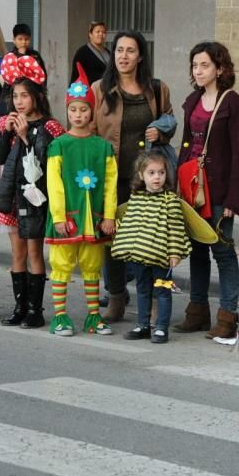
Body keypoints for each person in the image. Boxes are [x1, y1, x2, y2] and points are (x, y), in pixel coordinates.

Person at [90, 29, 175, 322]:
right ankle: (116, 296)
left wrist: (162, 132)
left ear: (140, 56)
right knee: (112, 240)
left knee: (149, 242)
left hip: (147, 181)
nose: (123, 56)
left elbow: (169, 119)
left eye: (130, 51)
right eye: (119, 50)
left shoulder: (157, 88)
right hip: (112, 178)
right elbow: (88, 131)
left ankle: (150, 299)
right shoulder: (100, 89)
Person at [173, 42, 239, 340]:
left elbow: (238, 152)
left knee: (223, 251)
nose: (199, 71)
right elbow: (185, 145)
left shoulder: (232, 102)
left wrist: (233, 198)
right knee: (196, 250)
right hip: (191, 186)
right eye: (195, 66)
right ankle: (197, 312)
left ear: (219, 68)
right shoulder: (192, 100)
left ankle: (228, 317)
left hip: (218, 189)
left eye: (204, 65)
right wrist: (177, 186)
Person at [43, 66, 118, 336]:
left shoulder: (103, 147)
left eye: (84, 110)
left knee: (92, 266)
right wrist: (60, 216)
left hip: (94, 218)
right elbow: (55, 184)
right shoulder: (59, 145)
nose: (78, 115)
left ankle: (93, 316)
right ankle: (60, 316)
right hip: (69, 218)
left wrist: (109, 215)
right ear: (67, 111)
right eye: (73, 110)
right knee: (62, 266)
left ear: (92, 111)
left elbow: (110, 185)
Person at [0, 56, 64, 328]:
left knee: (35, 252)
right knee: (17, 253)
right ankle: (19, 307)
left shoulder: (50, 126)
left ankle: (36, 309)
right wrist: (7, 134)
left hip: (35, 198)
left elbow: (45, 164)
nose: (19, 101)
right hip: (13, 198)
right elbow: (0, 158)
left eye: (24, 95)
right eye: (15, 96)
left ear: (36, 97)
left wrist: (25, 138)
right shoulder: (7, 124)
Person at [113, 152, 191, 343]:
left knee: (162, 291)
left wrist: (175, 252)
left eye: (161, 172)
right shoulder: (136, 198)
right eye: (151, 173)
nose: (157, 177)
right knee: (142, 290)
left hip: (161, 257)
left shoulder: (170, 200)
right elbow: (131, 224)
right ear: (141, 175)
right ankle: (143, 325)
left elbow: (175, 228)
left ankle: (161, 328)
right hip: (139, 255)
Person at [0, 24, 46, 116]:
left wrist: (41, 93)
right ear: (14, 40)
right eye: (20, 39)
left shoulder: (35, 56)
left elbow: (42, 76)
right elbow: (8, 80)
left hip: (32, 95)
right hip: (11, 95)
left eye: (26, 39)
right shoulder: (9, 57)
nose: (23, 42)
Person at [70, 21, 111, 86]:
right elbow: (76, 76)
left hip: (107, 91)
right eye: (98, 32)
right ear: (90, 34)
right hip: (90, 91)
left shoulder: (109, 53)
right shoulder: (82, 53)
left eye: (104, 32)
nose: (101, 34)